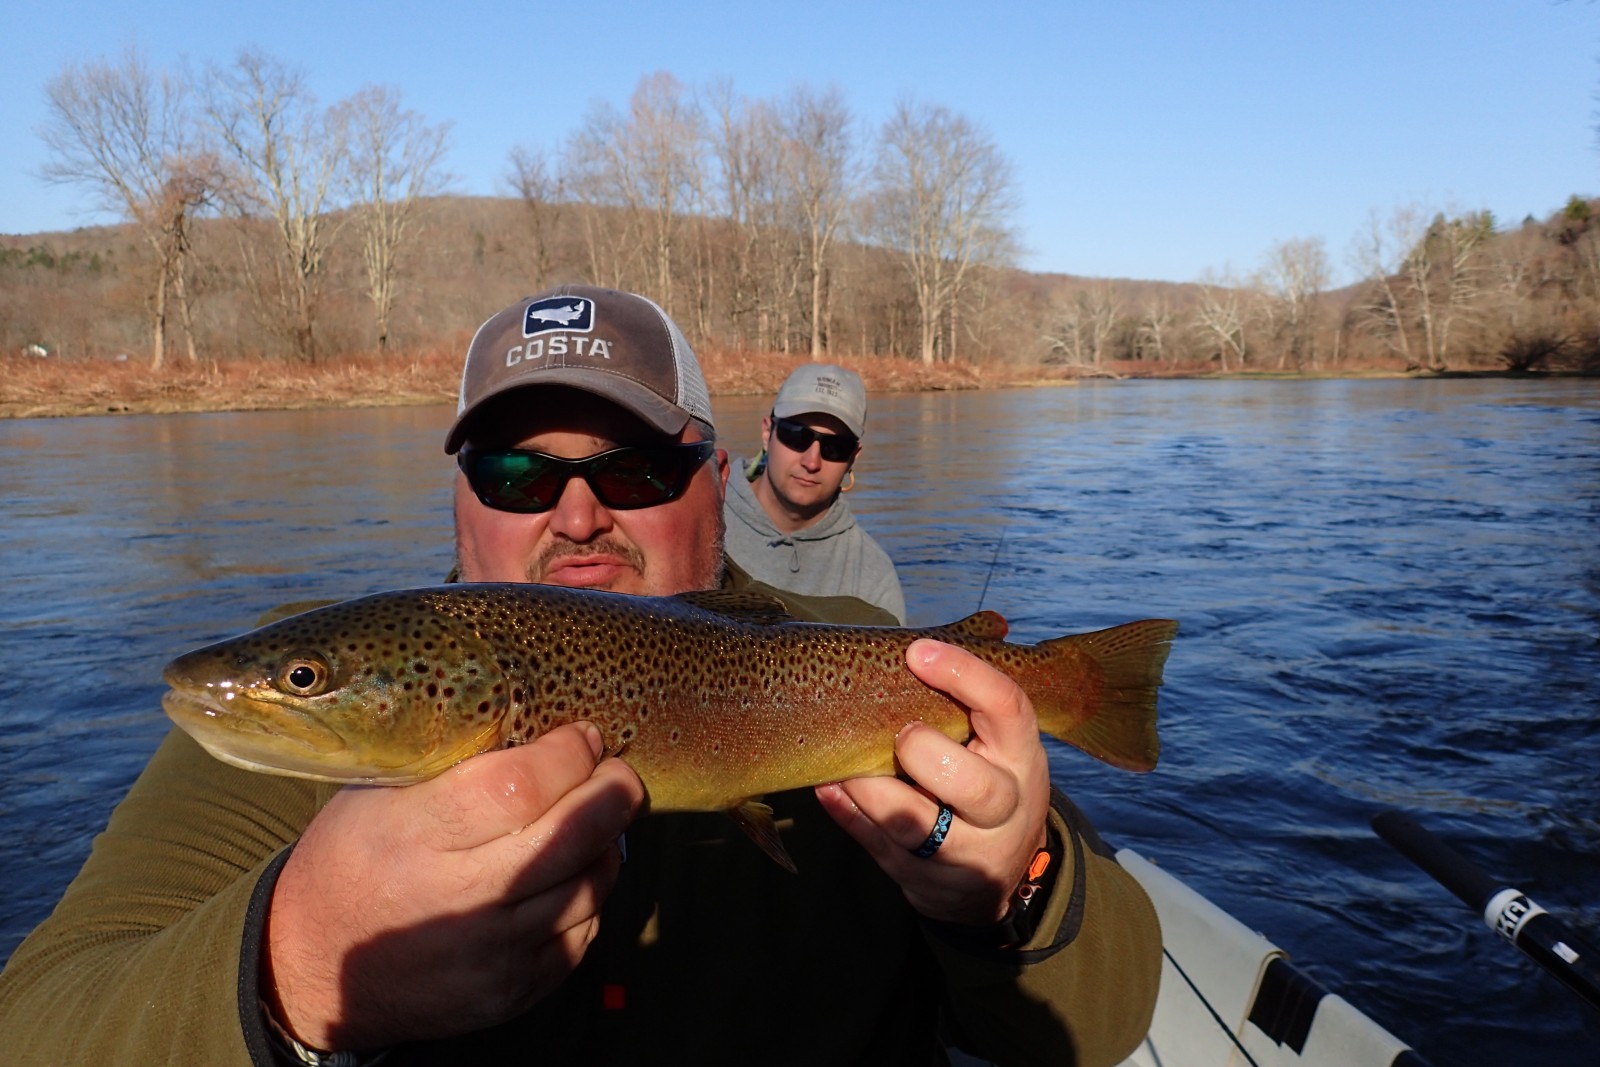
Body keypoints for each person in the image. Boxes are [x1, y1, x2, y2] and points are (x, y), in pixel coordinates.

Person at [0, 284, 1161, 1066]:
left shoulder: (872, 647)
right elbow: (36, 1025)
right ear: (457, 497)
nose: (577, 512)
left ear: (716, 476)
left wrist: (1017, 880)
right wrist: (289, 961)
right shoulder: (300, 717)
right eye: (514, 471)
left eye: (636, 464)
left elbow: (1102, 1022)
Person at [725, 363, 907, 622]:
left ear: (853, 458)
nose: (812, 462)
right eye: (797, 436)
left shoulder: (873, 575)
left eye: (835, 447)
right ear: (767, 433)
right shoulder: (700, 518)